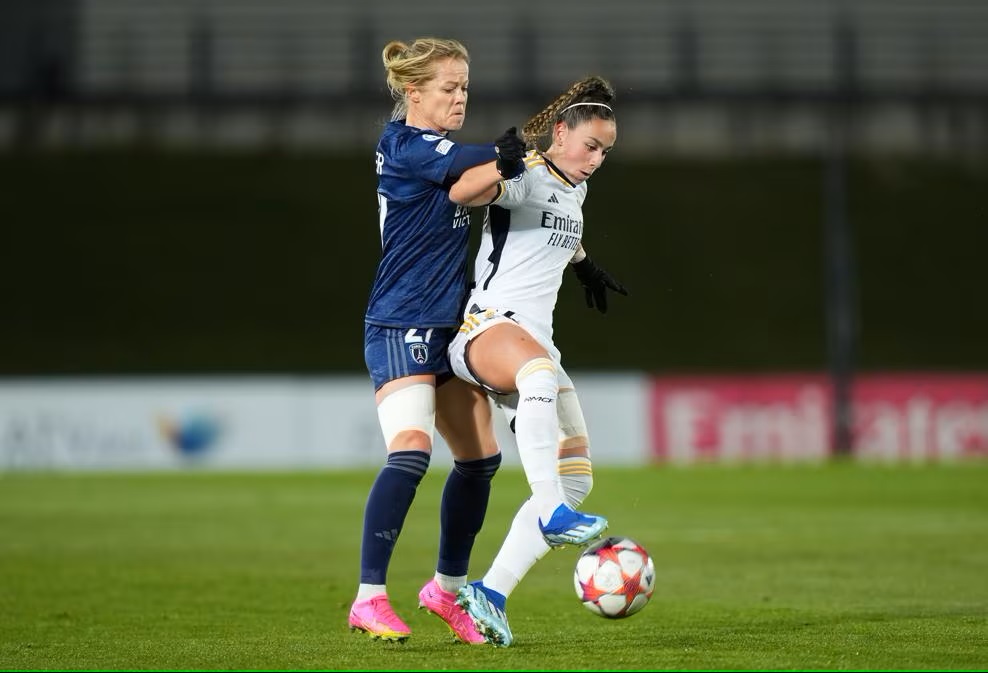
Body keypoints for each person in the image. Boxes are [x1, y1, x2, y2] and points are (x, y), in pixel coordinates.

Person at [348, 37, 528, 644]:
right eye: (448, 88)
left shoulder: (444, 156)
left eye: (465, 87)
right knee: (411, 450)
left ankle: (446, 592)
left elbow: (474, 178)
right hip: (399, 322)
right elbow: (469, 163)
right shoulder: (402, 143)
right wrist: (507, 154)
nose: (459, 97)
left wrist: (516, 163)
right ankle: (369, 597)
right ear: (413, 92)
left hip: (450, 327)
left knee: (481, 461)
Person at [444, 75, 628, 647]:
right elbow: (462, 194)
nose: (597, 160)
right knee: (539, 375)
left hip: (532, 343)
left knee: (577, 481)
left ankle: (490, 592)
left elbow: (558, 228)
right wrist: (499, 166)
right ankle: (548, 511)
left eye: (606, 151)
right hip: (486, 330)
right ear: (560, 133)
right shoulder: (524, 174)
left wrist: (583, 263)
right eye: (591, 146)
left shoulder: (575, 188)